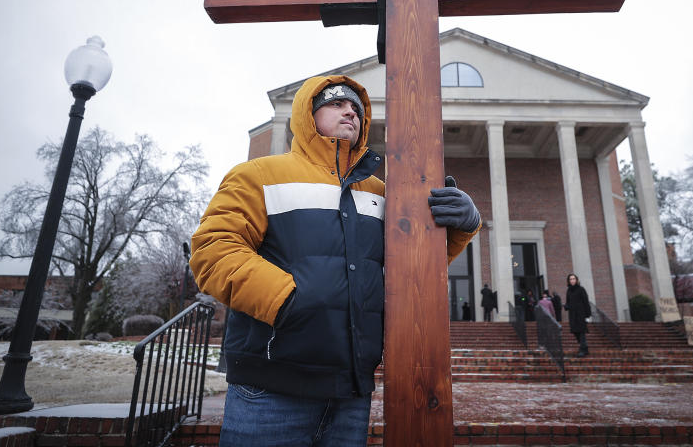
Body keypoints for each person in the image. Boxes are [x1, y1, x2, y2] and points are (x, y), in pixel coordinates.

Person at [190, 76, 482, 446]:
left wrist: (463, 227)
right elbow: (213, 250)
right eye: (336, 103)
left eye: (357, 109)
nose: (350, 111)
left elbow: (410, 271)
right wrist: (288, 300)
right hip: (271, 389)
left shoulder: (381, 192)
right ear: (307, 115)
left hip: (350, 393)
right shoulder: (259, 175)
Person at [564, 273, 591, 357]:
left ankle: (582, 349)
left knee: (581, 332)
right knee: (575, 332)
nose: (572, 280)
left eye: (573, 279)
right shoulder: (568, 291)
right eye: (570, 279)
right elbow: (568, 302)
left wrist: (587, 315)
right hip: (572, 315)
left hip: (581, 314)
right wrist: (566, 306)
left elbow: (586, 302)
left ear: (576, 280)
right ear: (568, 281)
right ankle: (585, 347)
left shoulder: (581, 289)